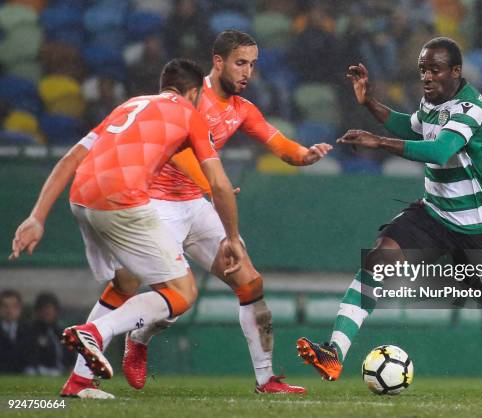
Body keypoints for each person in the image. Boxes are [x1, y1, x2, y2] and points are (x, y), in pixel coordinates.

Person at [296, 37, 482, 393]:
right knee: (379, 258)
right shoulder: (433, 101)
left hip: (477, 227)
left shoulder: (470, 108)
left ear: (456, 72)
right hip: (434, 215)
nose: (427, 77)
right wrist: (369, 103)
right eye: (423, 70)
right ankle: (334, 352)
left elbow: (439, 150)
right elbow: (413, 127)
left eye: (435, 70)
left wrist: (378, 141)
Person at [10, 58, 243, 399]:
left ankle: (78, 383)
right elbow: (220, 186)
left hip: (82, 198)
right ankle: (96, 332)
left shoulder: (129, 105)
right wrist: (232, 237)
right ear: (193, 92)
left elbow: (70, 159)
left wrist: (37, 217)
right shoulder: (190, 114)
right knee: (182, 293)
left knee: (124, 282)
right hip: (121, 200)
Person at [120, 30, 331, 395]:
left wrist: (305, 155)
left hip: (197, 206)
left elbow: (277, 142)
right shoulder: (188, 96)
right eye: (240, 63)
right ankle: (137, 338)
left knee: (250, 283)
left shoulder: (241, 109)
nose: (248, 72)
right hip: (157, 205)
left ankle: (266, 380)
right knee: (176, 301)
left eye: (252, 64)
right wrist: (208, 181)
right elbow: (172, 149)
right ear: (218, 62)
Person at [24, 292, 74, 376]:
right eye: (44, 310)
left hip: (60, 371)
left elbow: (70, 355)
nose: (47, 313)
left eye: (50, 310)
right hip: (38, 370)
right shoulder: (30, 331)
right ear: (37, 311)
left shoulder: (60, 332)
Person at [0, 289, 30, 374]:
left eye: (14, 306)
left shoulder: (28, 331)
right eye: (5, 306)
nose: (9, 310)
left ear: (20, 309)